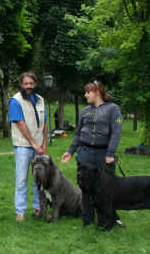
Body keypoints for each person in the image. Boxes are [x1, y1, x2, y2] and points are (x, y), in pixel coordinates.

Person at [61, 80, 124, 227]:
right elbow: (78, 134)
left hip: (104, 155)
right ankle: (87, 220)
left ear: (97, 92)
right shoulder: (84, 111)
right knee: (86, 188)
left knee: (105, 189)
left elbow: (116, 133)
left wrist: (110, 153)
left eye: (88, 92)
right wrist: (70, 152)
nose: (85, 95)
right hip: (85, 154)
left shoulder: (113, 109)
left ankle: (109, 219)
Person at [9, 72, 47, 222]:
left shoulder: (40, 100)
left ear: (35, 84)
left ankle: (39, 208)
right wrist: (33, 144)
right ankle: (20, 211)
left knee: (40, 178)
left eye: (31, 83)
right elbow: (21, 124)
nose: (29, 86)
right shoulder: (15, 101)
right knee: (22, 179)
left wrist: (43, 143)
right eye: (26, 83)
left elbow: (44, 123)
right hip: (23, 146)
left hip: (39, 146)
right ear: (21, 85)